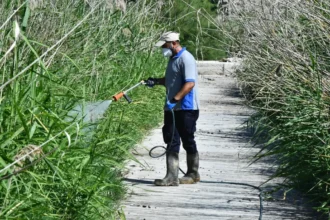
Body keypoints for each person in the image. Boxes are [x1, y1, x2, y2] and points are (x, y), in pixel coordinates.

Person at [145, 31, 200, 186]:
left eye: (164, 45)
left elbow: (190, 83)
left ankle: (193, 173)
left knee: (187, 139)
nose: (163, 48)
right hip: (172, 108)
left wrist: (175, 99)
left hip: (186, 107)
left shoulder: (186, 58)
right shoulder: (172, 59)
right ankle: (171, 177)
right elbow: (171, 80)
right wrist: (155, 81)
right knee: (171, 139)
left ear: (173, 43)